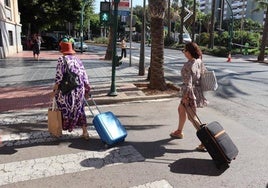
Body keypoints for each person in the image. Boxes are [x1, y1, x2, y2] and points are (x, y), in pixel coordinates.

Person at [170, 42, 208, 151]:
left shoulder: (188, 65)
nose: (184, 52)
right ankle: (179, 131)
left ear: (189, 52)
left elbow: (188, 83)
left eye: (184, 50)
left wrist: (186, 96)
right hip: (196, 91)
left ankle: (205, 141)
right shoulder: (199, 61)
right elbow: (203, 73)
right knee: (181, 109)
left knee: (192, 117)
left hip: (189, 93)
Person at [50, 42, 91, 140]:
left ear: (62, 50)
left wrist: (54, 91)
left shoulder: (61, 59)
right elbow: (84, 75)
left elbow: (59, 78)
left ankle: (58, 131)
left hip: (67, 90)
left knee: (61, 108)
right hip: (79, 88)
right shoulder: (77, 59)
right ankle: (85, 132)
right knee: (80, 109)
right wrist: (87, 89)